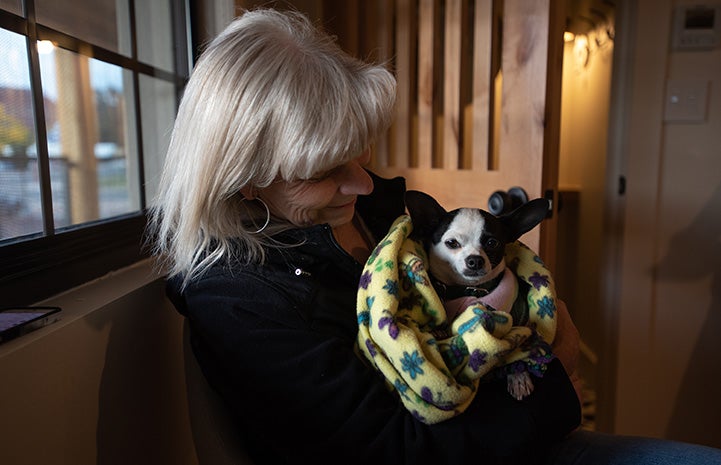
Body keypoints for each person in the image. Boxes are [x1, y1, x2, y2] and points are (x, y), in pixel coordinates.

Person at [149, 8, 721, 465]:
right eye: (324, 171)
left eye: (361, 147)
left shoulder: (376, 218)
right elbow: (396, 451)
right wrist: (556, 376)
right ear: (246, 184)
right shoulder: (241, 302)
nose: (362, 181)